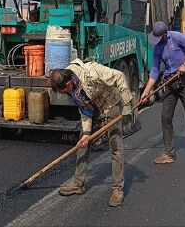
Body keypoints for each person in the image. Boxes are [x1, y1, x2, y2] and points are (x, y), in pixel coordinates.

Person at [49, 58, 133, 207]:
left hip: (110, 104)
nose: (64, 94)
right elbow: (84, 109)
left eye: (63, 91)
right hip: (94, 108)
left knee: (115, 147)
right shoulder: (72, 84)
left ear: (68, 84)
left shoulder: (91, 72)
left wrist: (126, 103)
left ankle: (117, 189)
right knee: (82, 143)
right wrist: (87, 132)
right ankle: (78, 183)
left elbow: (119, 76)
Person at [140, 21, 185, 168]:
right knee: (166, 117)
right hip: (169, 83)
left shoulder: (176, 37)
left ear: (164, 34)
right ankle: (168, 153)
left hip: (184, 82)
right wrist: (146, 91)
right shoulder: (157, 48)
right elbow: (154, 71)